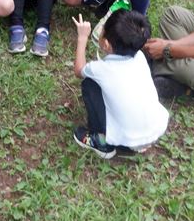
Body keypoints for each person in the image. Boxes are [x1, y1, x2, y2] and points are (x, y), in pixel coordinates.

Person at [71, 10, 168, 159]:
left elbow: (79, 70)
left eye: (103, 28)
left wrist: (82, 38)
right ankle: (137, 140)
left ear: (107, 44)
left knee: (89, 83)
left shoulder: (101, 69)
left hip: (127, 137)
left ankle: (101, 142)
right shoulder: (140, 56)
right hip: (153, 131)